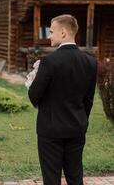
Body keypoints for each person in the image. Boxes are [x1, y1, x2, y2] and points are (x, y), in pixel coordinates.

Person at [28, 14, 97, 185]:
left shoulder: (49, 62)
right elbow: (88, 100)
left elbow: (34, 97)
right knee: (75, 177)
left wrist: (31, 81)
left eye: (51, 31)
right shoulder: (90, 62)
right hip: (77, 128)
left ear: (64, 32)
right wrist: (80, 119)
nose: (49, 36)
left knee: (51, 179)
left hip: (50, 131)